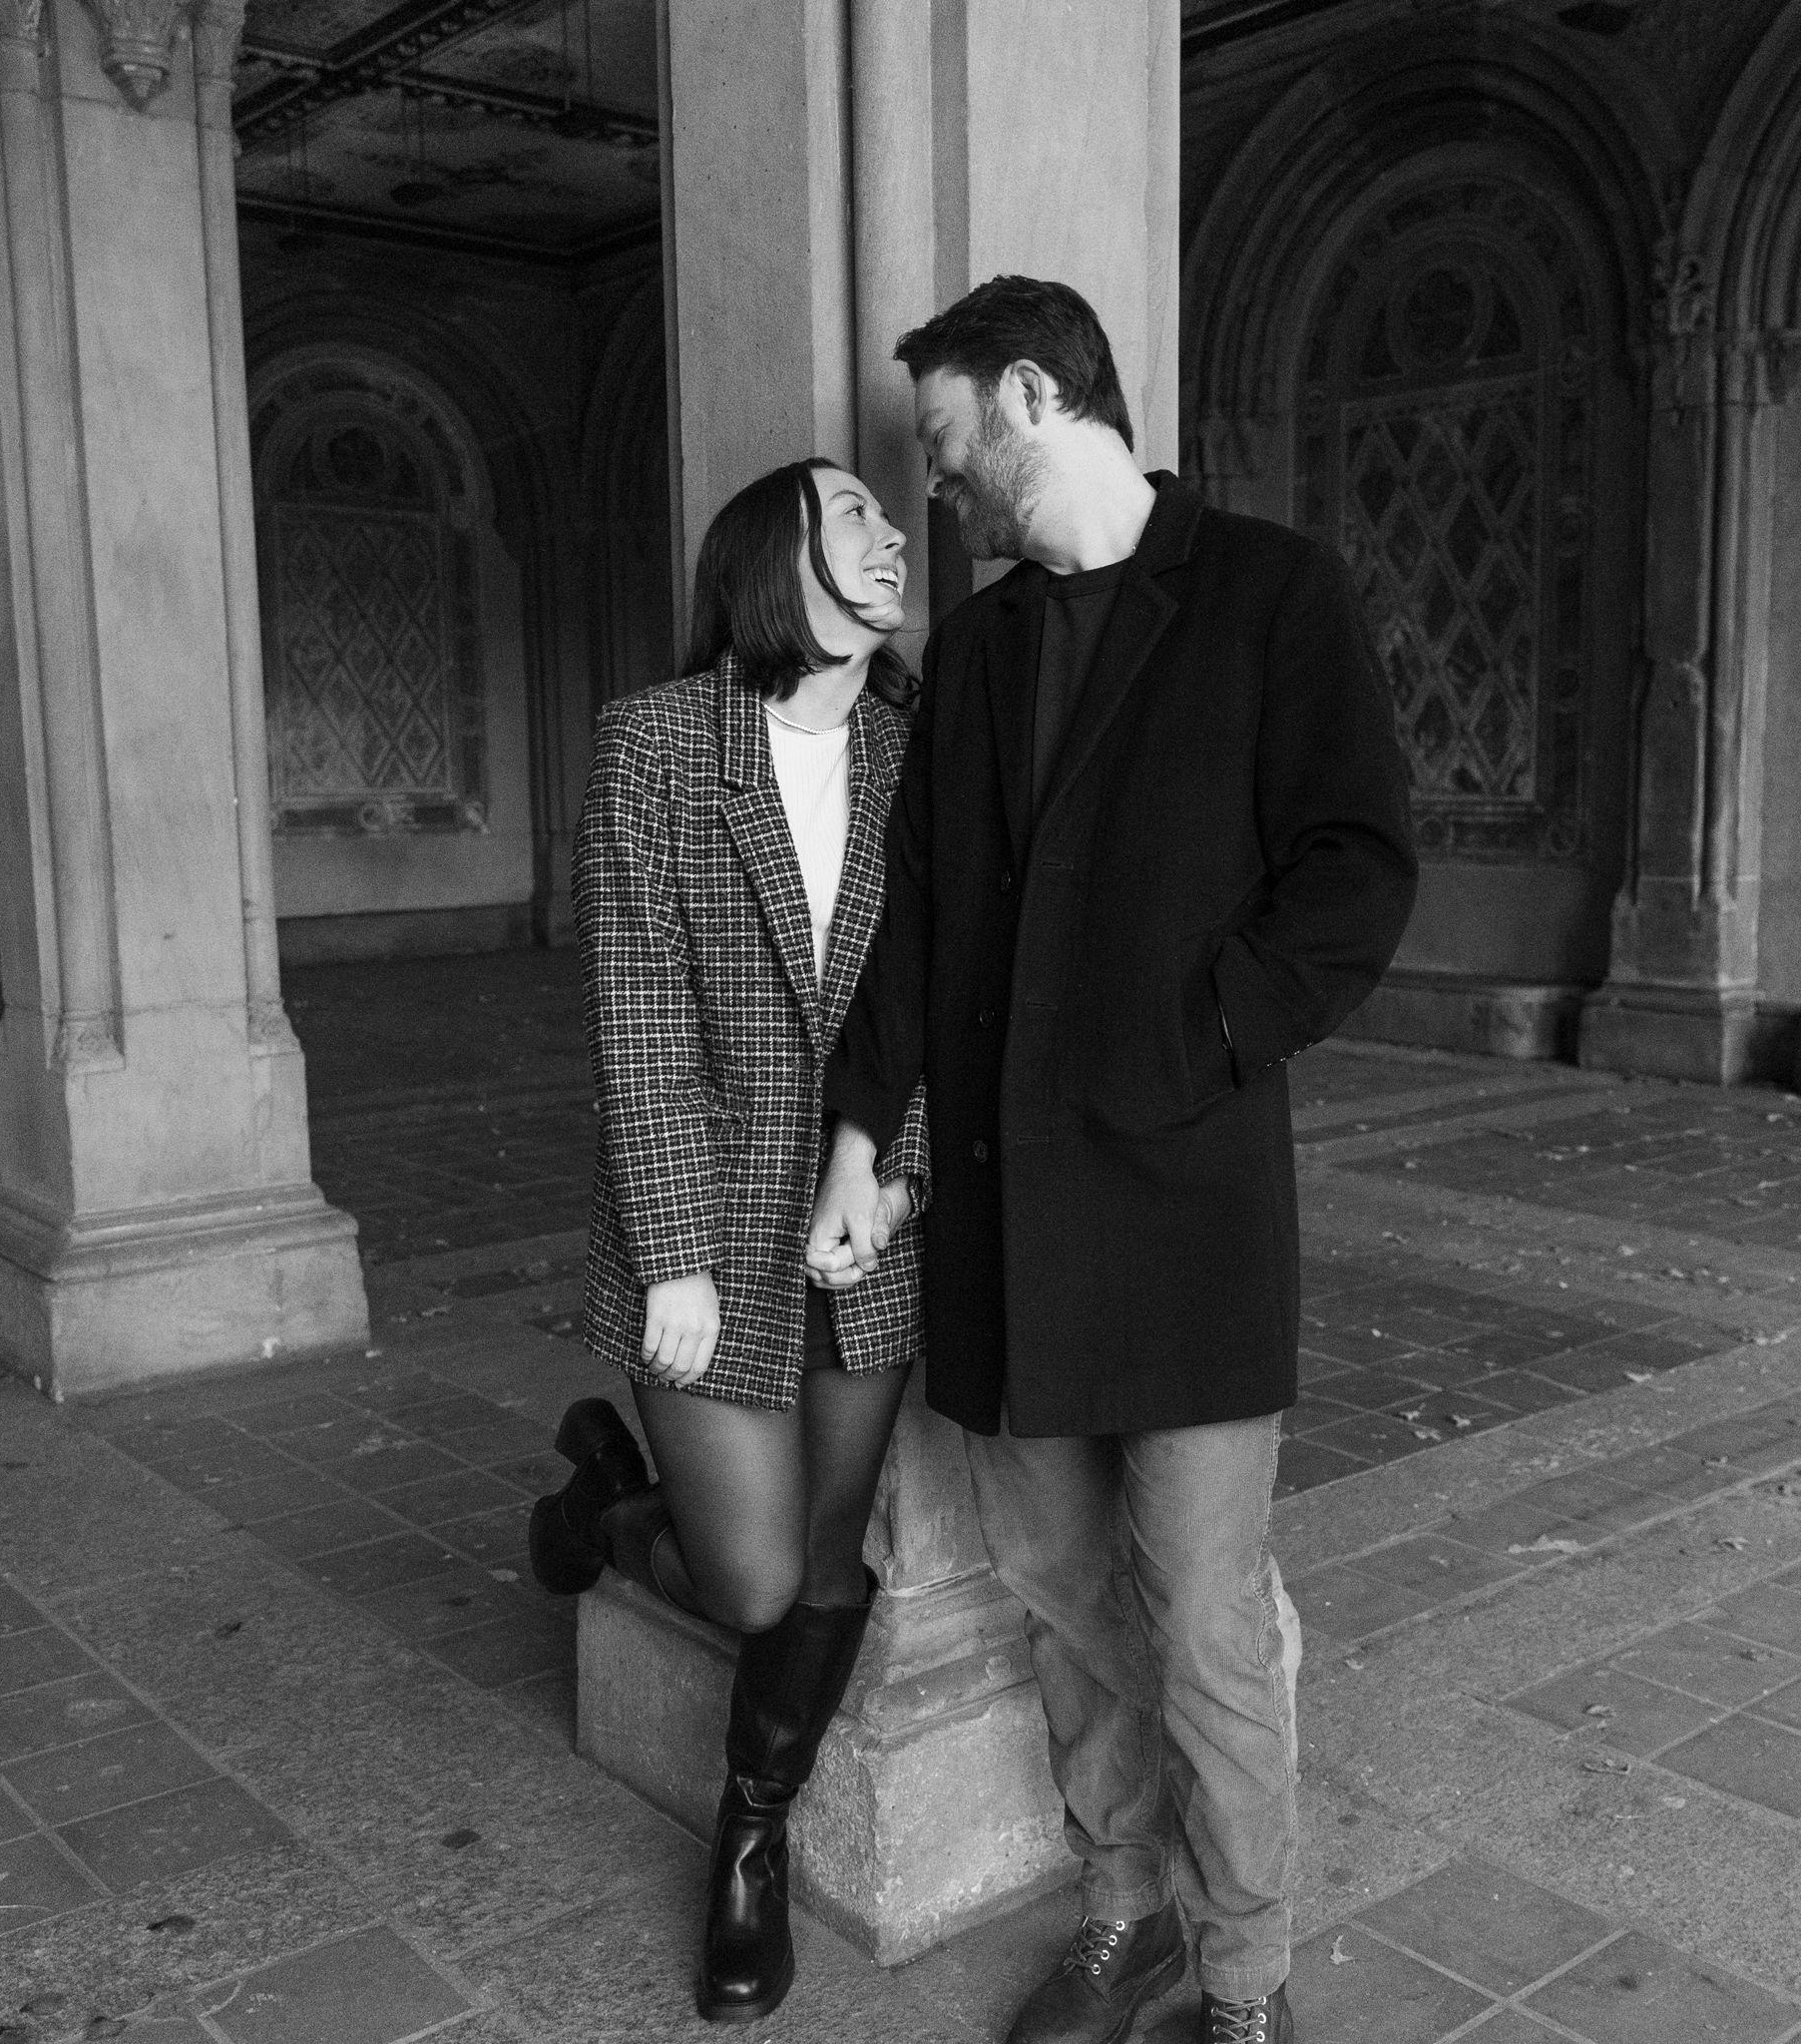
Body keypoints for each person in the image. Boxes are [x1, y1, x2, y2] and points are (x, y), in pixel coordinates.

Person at [806, 277, 1418, 2044]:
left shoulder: (1271, 594)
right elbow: (919, 915)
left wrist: (1194, 1036)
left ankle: (1246, 1982)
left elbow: (1358, 870)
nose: (934, 486)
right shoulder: (982, 650)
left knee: (1207, 1626)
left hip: (1188, 1212)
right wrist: (860, 1133)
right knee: (1067, 1609)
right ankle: (1125, 1915)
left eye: (942, 446)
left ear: (1028, 397)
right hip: (1005, 1222)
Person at [530, 456, 929, 2026]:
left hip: (863, 1232)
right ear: (777, 558)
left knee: (826, 1562)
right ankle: (609, 1508)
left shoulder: (917, 753)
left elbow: (946, 1011)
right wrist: (677, 1255)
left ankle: (749, 1843)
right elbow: (636, 1016)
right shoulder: (658, 744)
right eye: (855, 515)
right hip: (702, 1221)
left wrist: (895, 1194)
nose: (891, 536)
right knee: (751, 1583)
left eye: (891, 517)